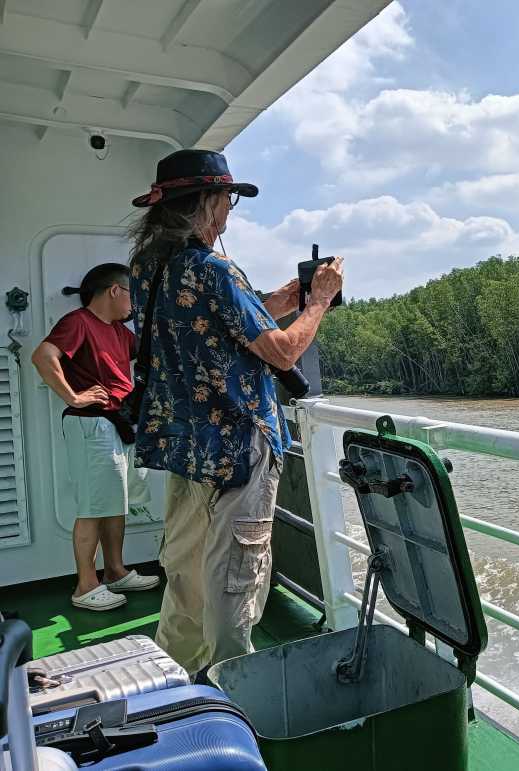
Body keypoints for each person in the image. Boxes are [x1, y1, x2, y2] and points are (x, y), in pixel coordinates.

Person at [127, 149, 343, 676]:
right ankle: (231, 687)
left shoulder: (147, 268)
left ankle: (179, 682)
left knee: (186, 573)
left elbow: (210, 328)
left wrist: (284, 299)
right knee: (234, 578)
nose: (229, 210)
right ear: (206, 203)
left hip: (184, 445)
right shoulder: (212, 267)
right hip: (235, 446)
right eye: (227, 199)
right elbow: (285, 352)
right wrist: (318, 302)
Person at [31, 264, 159, 612]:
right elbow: (43, 356)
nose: (134, 302)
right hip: (91, 425)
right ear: (114, 291)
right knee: (92, 506)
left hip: (118, 423)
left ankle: (115, 572)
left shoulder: (119, 331)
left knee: (114, 502)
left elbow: (150, 351)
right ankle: (85, 585)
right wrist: (74, 396)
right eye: (132, 293)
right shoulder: (78, 322)